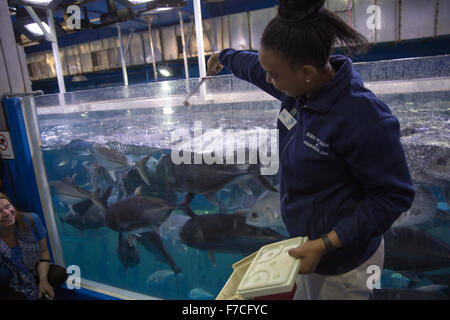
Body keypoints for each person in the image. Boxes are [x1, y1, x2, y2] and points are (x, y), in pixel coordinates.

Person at [207, 0, 415, 299]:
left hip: (345, 266)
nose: (268, 80)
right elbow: (254, 68)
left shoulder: (364, 118)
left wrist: (326, 244)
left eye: (274, 74)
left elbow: (393, 196)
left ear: (306, 71)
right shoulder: (300, 88)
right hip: (308, 251)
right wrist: (223, 57)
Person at [0, 192, 67, 300]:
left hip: (33, 270)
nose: (7, 213)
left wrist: (43, 280)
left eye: (8, 206)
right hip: (9, 282)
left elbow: (44, 253)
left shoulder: (31, 220)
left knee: (59, 273)